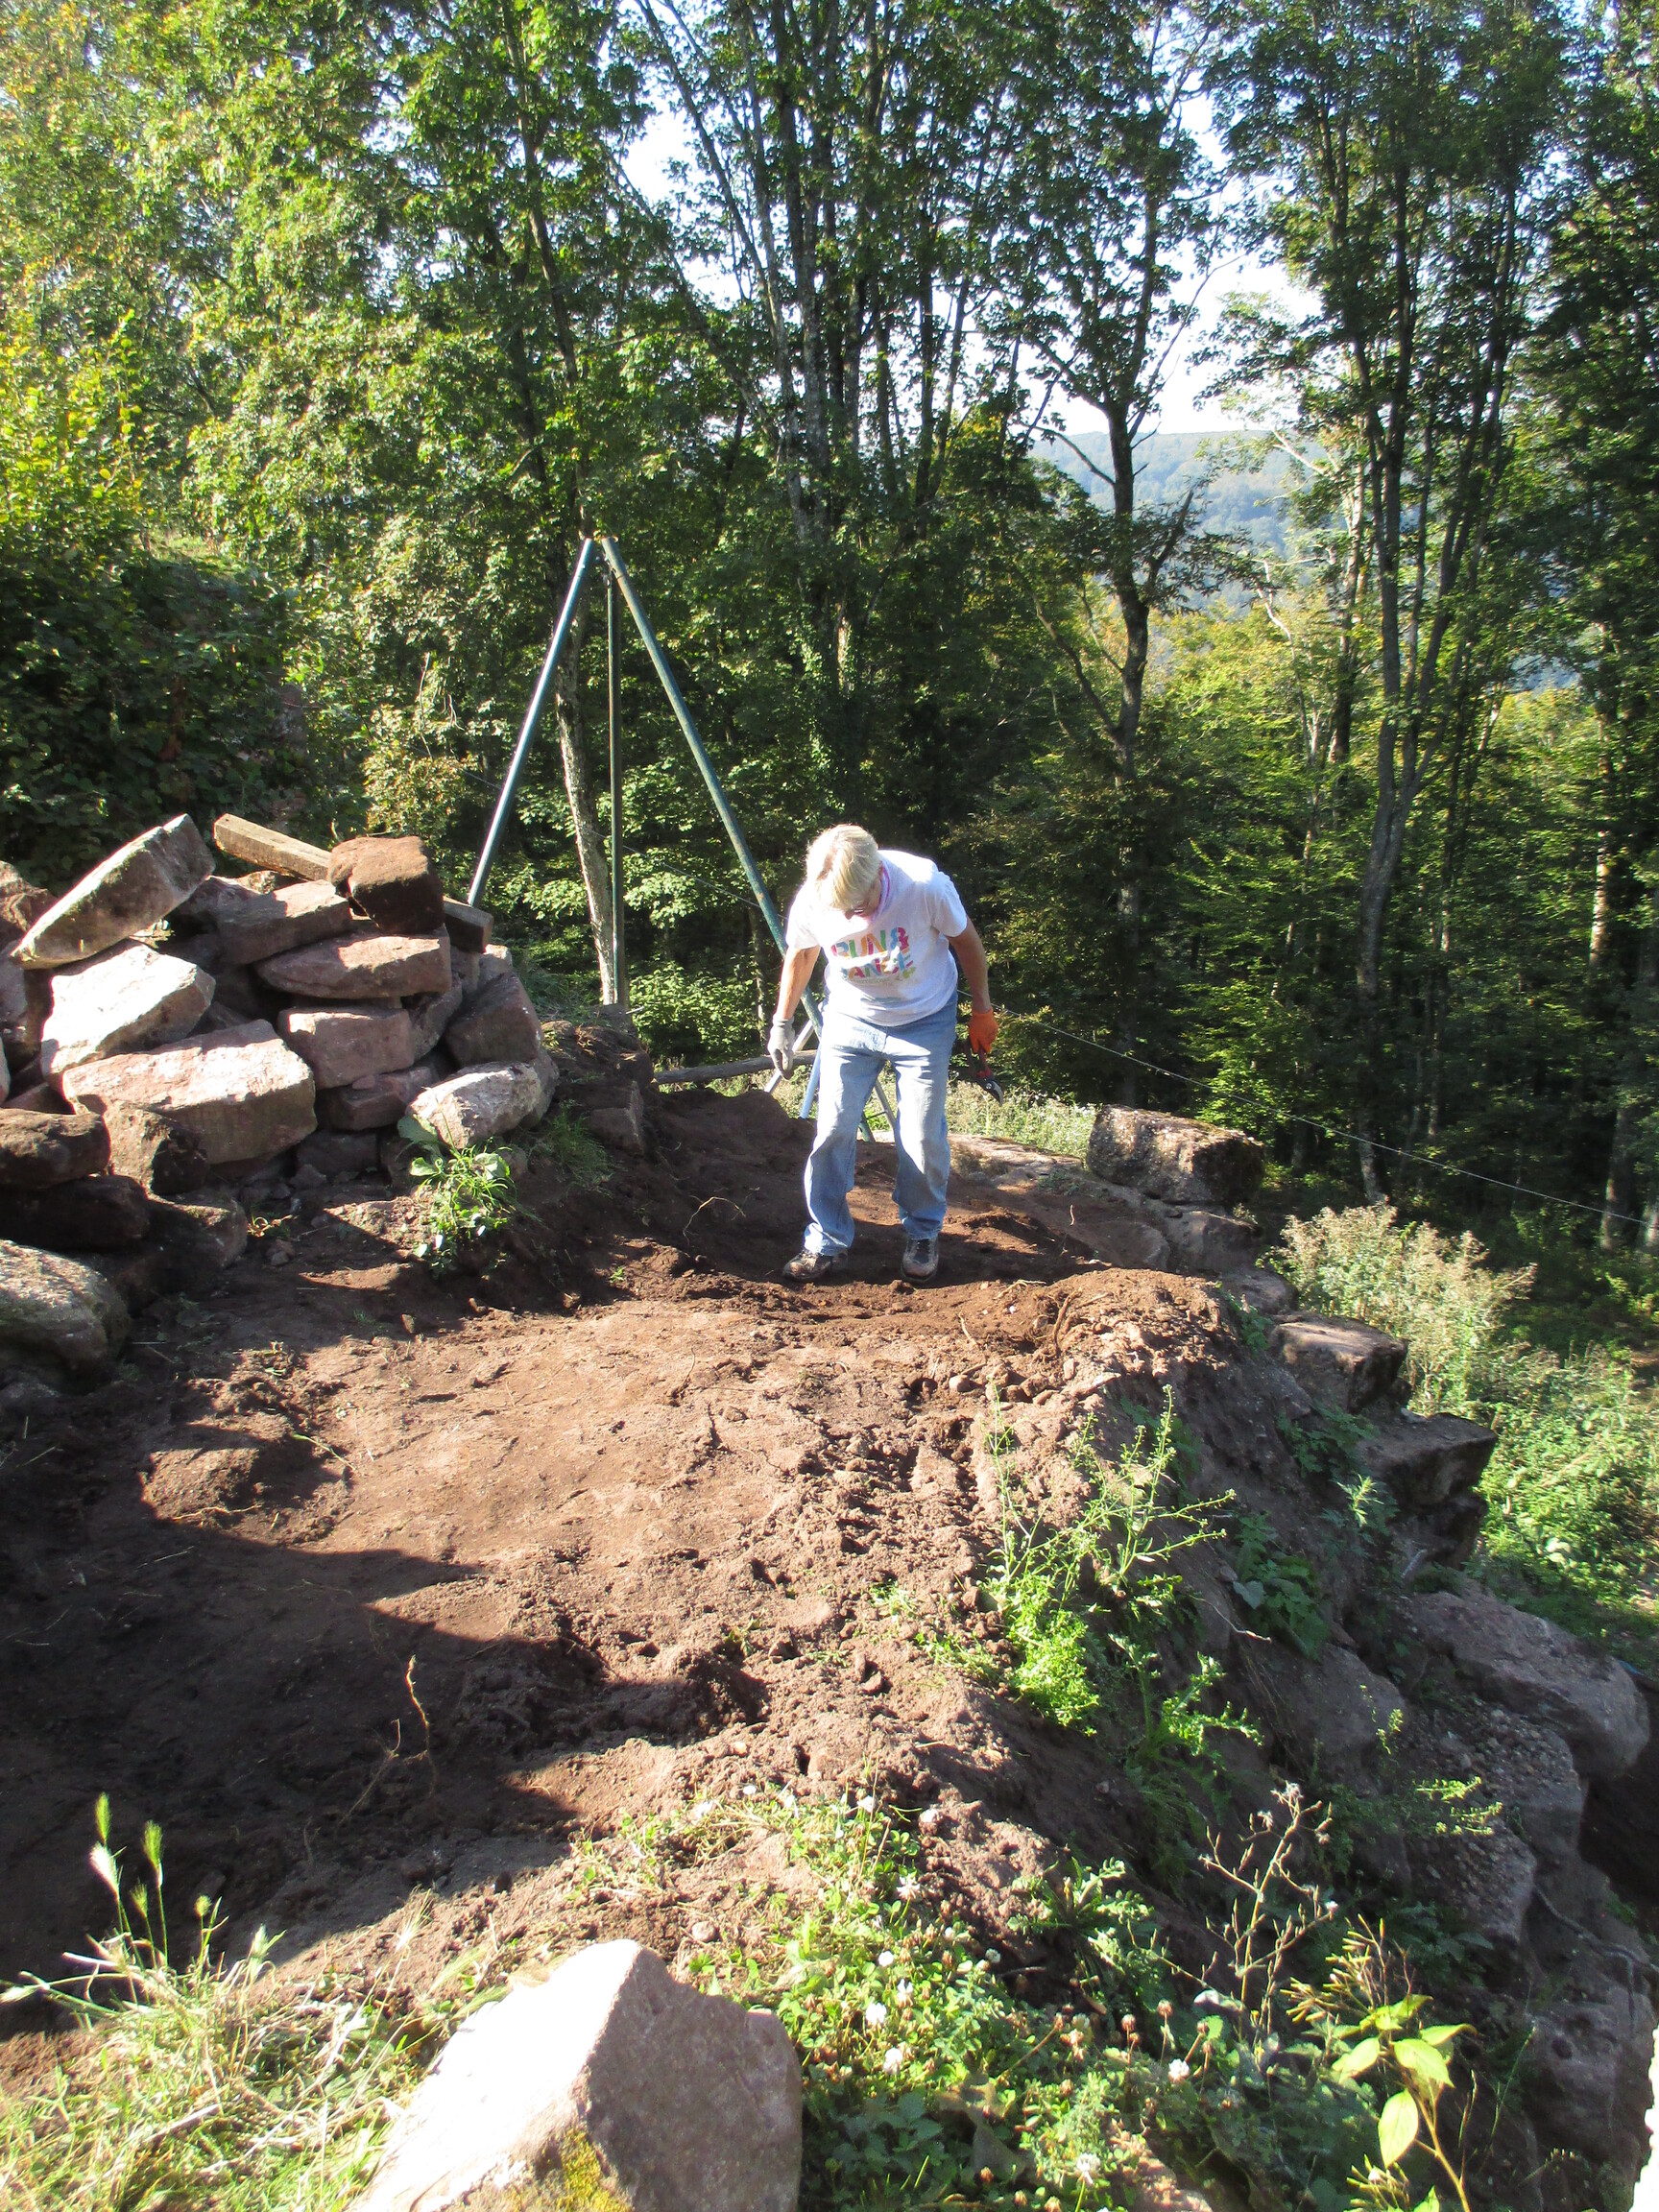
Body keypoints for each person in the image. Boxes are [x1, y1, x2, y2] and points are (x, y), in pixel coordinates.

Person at [768, 824, 998, 1283]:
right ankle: (827, 1238)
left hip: (924, 1018)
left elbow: (967, 942)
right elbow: (802, 954)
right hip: (851, 1017)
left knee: (920, 1135)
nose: (853, 917)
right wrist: (781, 1022)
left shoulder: (924, 886)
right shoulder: (816, 896)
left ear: (878, 874)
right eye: (844, 910)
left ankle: (923, 1232)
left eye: (860, 905)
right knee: (833, 1128)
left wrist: (982, 1009)